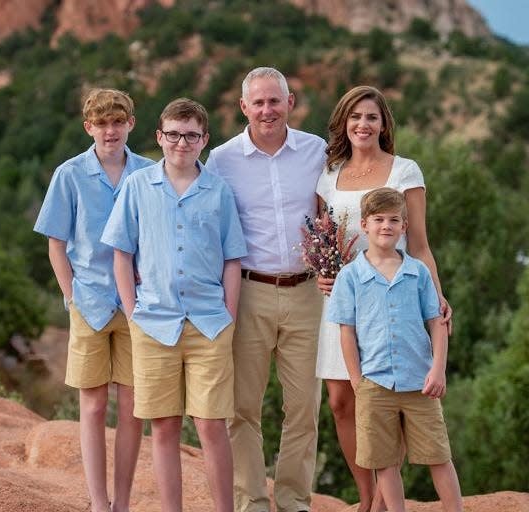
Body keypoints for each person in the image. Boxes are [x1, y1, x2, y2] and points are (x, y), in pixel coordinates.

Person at [101, 98, 247, 512]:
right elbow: (121, 255)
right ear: (159, 137)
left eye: (192, 135)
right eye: (174, 134)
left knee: (211, 425)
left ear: (204, 139)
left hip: (209, 325)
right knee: (163, 427)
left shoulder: (219, 192)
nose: (182, 143)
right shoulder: (137, 186)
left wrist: (229, 318)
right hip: (154, 324)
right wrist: (132, 314)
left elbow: (233, 259)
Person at [314, 85, 452, 511]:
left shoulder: (405, 171)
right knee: (341, 400)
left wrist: (439, 298)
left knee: (393, 398)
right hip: (343, 299)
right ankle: (367, 496)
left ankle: (388, 496)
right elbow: (324, 238)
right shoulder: (328, 175)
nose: (363, 124)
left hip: (394, 298)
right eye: (355, 116)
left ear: (383, 124)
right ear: (344, 122)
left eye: (371, 117)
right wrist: (323, 273)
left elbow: (421, 243)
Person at [205, 67, 327, 512]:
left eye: (274, 100)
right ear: (243, 107)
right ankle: (252, 502)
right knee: (242, 409)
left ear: (290, 102)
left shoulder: (318, 152)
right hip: (248, 291)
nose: (267, 110)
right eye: (258, 102)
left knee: (303, 409)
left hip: (307, 292)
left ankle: (294, 501)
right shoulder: (220, 160)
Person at [34, 88, 155, 512]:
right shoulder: (69, 174)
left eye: (117, 122)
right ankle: (98, 503)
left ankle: (122, 501)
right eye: (102, 123)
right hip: (90, 303)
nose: (110, 130)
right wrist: (71, 298)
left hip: (137, 305)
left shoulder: (149, 173)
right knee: (93, 403)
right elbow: (55, 244)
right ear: (89, 127)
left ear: (131, 125)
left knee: (133, 405)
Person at [327, 187, 463, 512]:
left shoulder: (418, 273)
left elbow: (437, 323)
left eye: (393, 220)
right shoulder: (350, 277)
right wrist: (357, 381)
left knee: (439, 456)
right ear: (364, 225)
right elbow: (347, 333)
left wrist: (438, 369)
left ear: (404, 226)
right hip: (374, 384)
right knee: (385, 463)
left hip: (421, 383)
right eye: (378, 219)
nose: (385, 226)